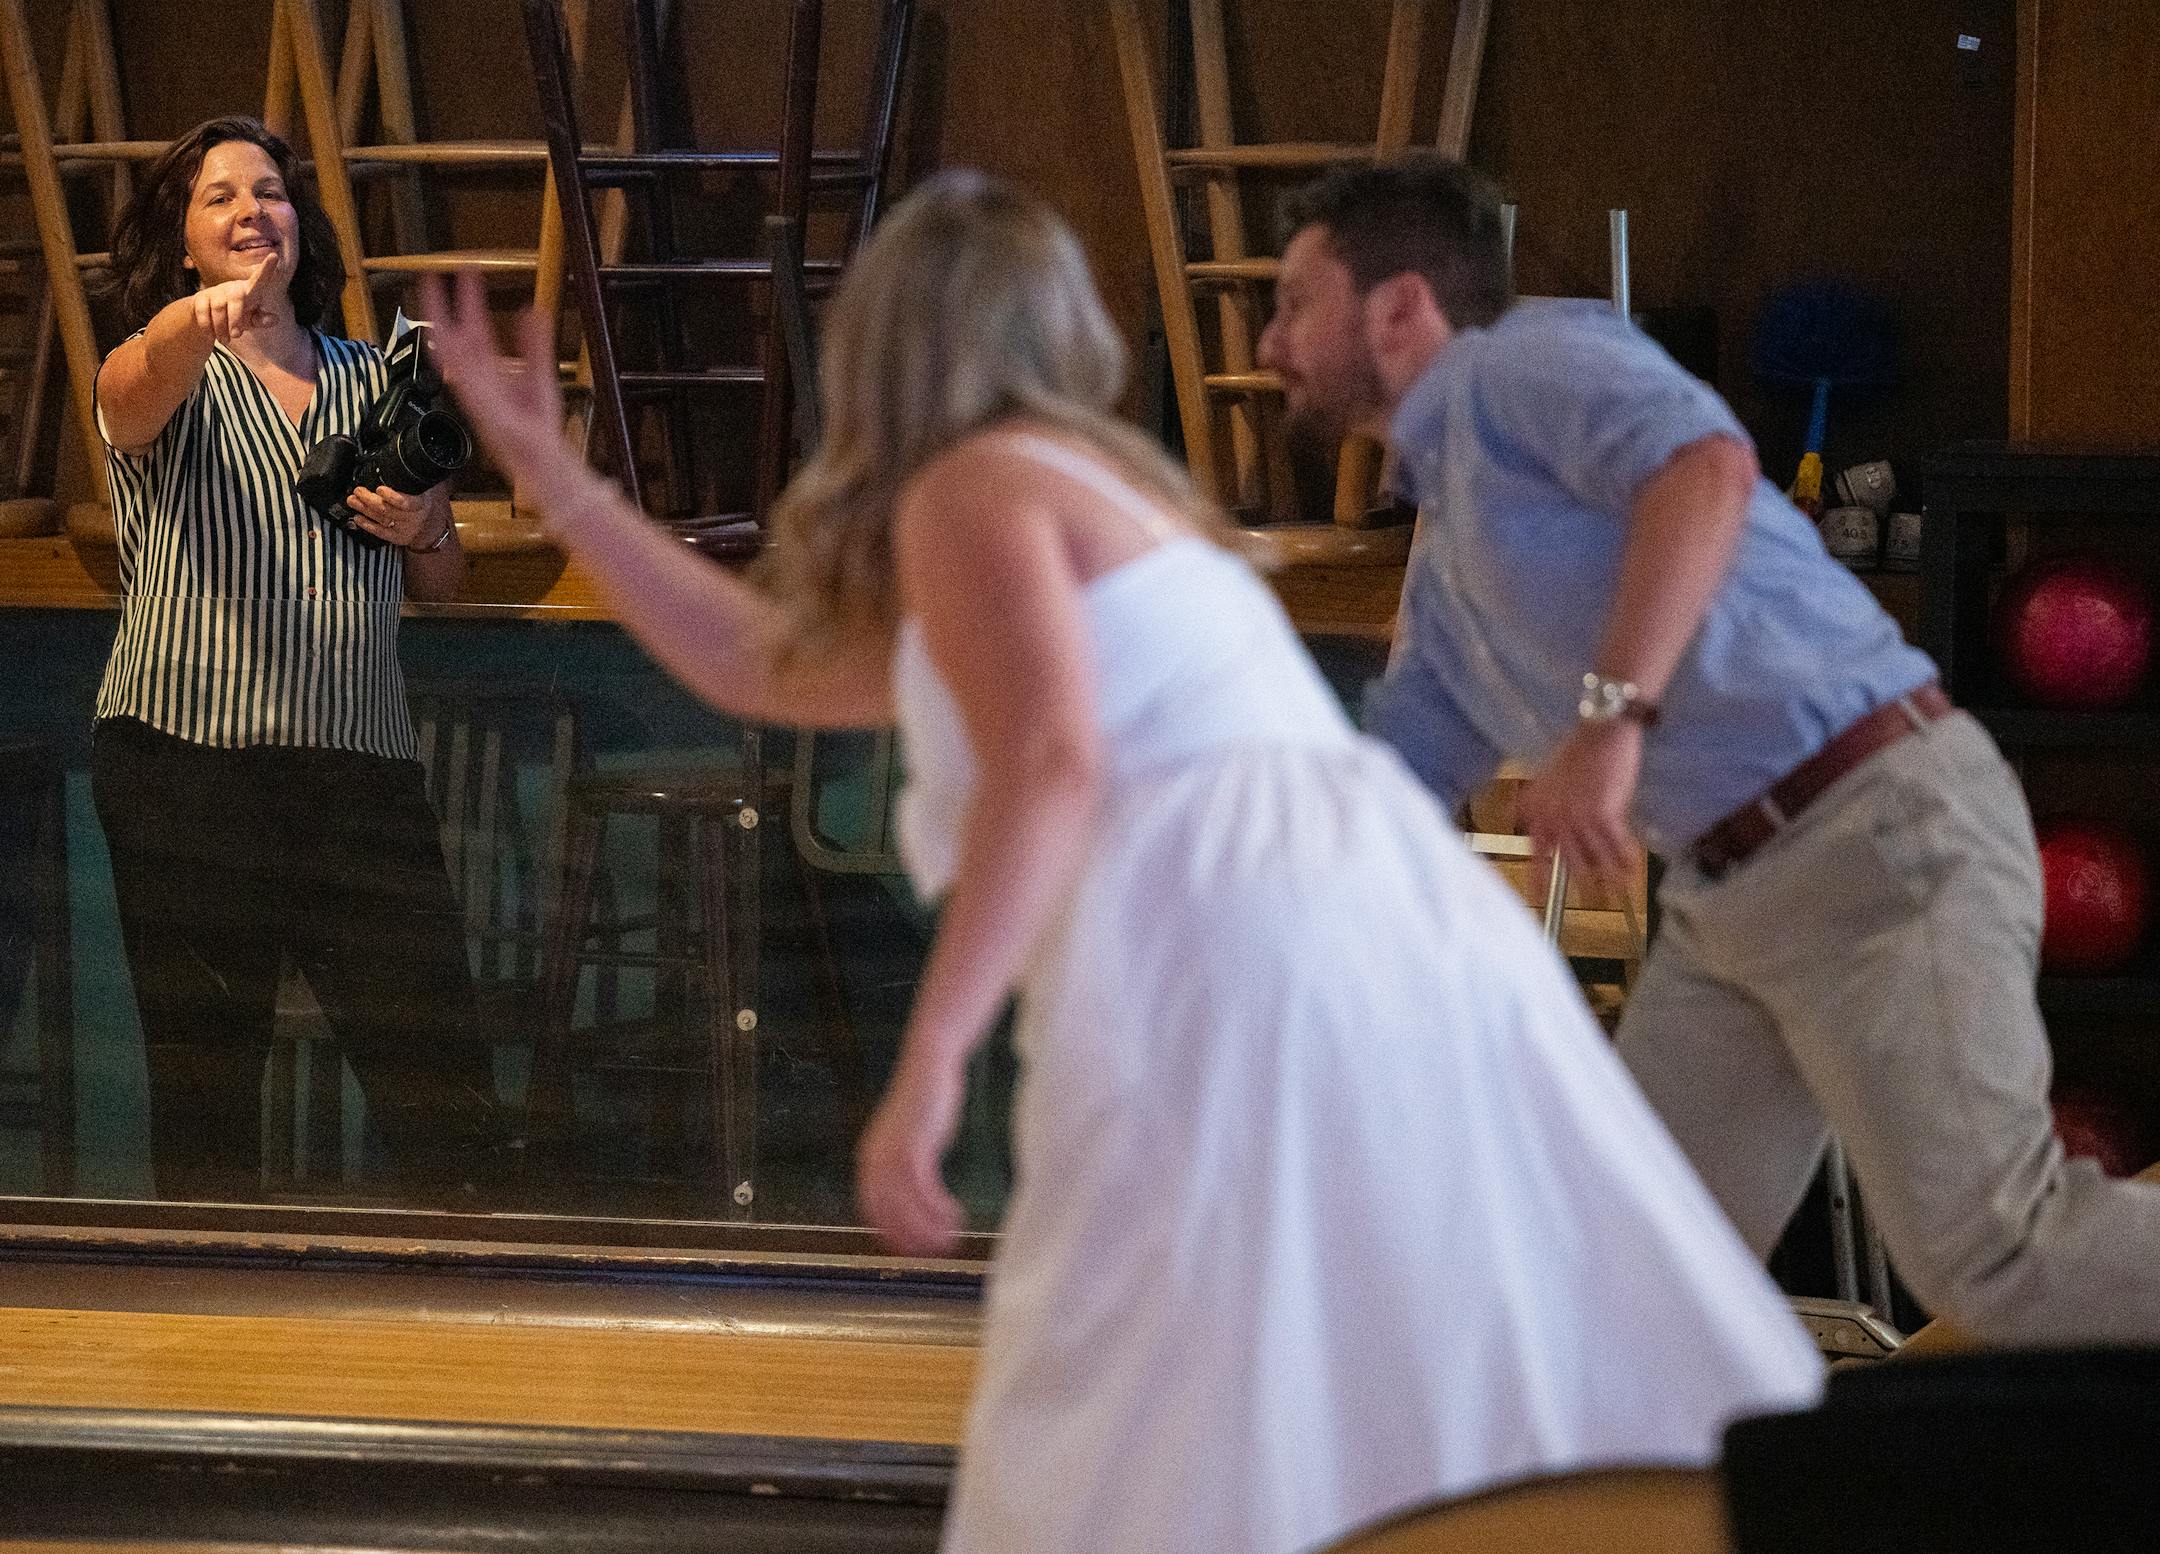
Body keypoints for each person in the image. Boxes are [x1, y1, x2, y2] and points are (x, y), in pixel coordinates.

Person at [426, 170, 1820, 1554]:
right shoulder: (1091, 488)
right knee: (1344, 1367)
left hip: (1229, 948)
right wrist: (558, 480)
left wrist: (932, 1062)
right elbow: (765, 664)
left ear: (880, 346)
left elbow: (1052, 762)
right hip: (1366, 928)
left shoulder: (975, 489)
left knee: (1132, 1387)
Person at [1256, 151, 2160, 1346]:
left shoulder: (1520, 363)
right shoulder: (1457, 554)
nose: (1269, 342)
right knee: (1635, 1290)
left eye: (1294, 303)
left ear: (1400, 308)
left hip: (1876, 836)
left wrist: (1608, 723)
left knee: (1999, 1257)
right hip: (1735, 906)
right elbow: (1396, 777)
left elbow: (1707, 471)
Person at [91, 116, 501, 1203]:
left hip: (358, 771)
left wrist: (428, 529)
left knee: (447, 1098)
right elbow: (132, 391)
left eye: (268, 191)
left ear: (299, 221)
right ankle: (205, 1308)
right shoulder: (163, 369)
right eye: (219, 197)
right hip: (186, 769)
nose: (249, 212)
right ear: (183, 244)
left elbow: (441, 582)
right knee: (209, 1107)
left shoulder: (375, 375)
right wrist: (200, 319)